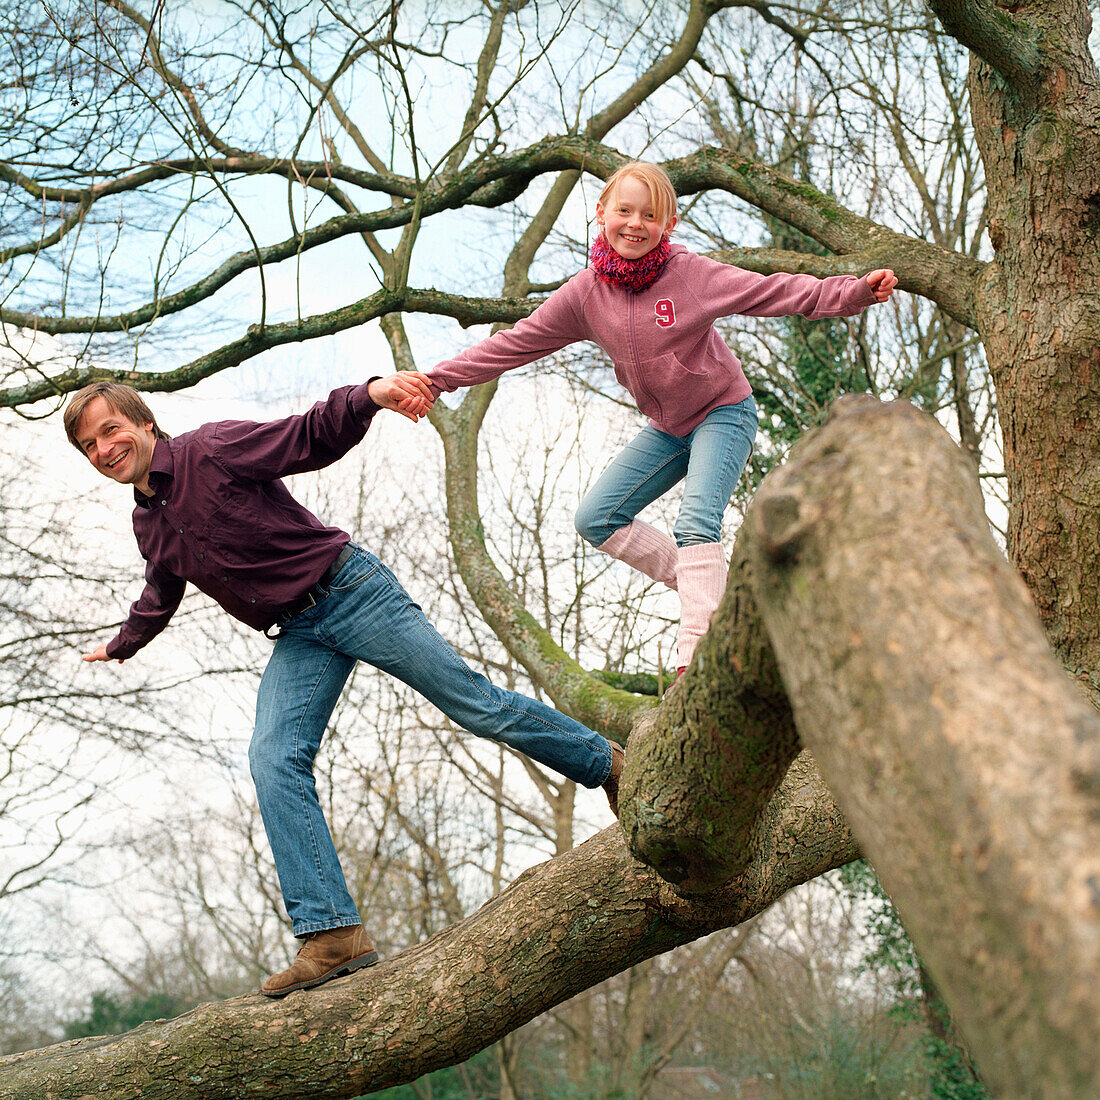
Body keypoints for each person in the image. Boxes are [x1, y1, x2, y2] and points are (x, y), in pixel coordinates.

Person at [66, 374, 624, 998]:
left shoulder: (210, 449)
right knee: (273, 759)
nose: (103, 449)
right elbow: (161, 588)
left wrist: (370, 395)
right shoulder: (149, 524)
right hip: (299, 634)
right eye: (89, 446)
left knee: (475, 705)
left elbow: (301, 436)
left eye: (109, 430)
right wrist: (123, 643)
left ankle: (607, 765)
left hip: (352, 594)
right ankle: (332, 934)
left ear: (144, 424)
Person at [412, 162, 898, 673]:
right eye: (624, 210)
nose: (635, 224)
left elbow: (771, 291)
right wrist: (436, 380)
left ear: (667, 224)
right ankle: (717, 589)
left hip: (722, 412)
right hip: (668, 429)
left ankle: (697, 649)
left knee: (695, 522)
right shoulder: (585, 295)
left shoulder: (690, 275)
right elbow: (516, 343)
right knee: (595, 518)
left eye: (650, 215)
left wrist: (855, 292)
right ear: (601, 213)